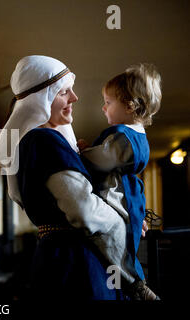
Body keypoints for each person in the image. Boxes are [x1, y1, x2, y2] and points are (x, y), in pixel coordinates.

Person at [0, 55, 147, 300]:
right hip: (75, 264)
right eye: (64, 92)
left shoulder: (45, 141)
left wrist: (129, 211)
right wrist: (125, 223)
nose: (74, 98)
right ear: (42, 100)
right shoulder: (43, 141)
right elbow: (84, 209)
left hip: (68, 257)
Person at [77, 63, 162, 300]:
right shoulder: (134, 135)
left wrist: (80, 154)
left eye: (108, 102)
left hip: (117, 196)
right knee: (125, 242)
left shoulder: (124, 137)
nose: (103, 107)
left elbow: (103, 159)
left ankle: (135, 284)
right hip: (130, 195)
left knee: (113, 244)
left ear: (130, 105)